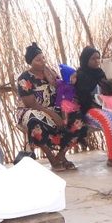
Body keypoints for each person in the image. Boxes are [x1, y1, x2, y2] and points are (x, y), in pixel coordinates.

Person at [15, 43, 85, 171]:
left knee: (78, 119)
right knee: (34, 121)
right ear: (31, 62)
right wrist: (53, 115)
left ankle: (61, 156)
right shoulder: (24, 78)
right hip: (31, 110)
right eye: (38, 60)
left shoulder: (50, 72)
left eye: (43, 58)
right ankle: (51, 158)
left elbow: (64, 90)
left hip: (54, 108)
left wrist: (55, 81)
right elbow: (30, 103)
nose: (42, 62)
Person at [77, 46, 112, 169]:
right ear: (86, 60)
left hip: (105, 107)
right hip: (89, 110)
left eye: (98, 58)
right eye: (93, 59)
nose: (97, 61)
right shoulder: (81, 75)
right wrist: (100, 106)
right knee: (108, 119)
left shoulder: (100, 73)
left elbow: (108, 93)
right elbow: (83, 100)